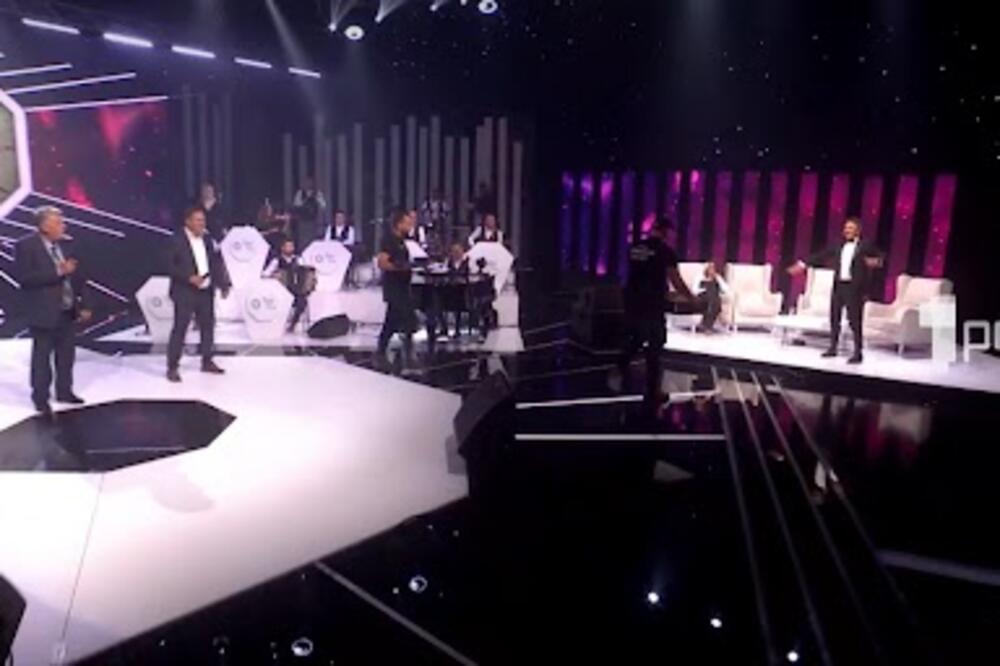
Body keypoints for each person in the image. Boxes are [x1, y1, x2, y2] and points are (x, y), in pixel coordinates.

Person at [14, 206, 92, 415]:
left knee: (66, 356)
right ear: (44, 226)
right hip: (43, 312)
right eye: (58, 222)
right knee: (42, 358)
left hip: (67, 310)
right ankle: (40, 398)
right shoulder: (25, 246)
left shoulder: (66, 245)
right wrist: (58, 271)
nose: (63, 226)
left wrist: (84, 304)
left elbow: (79, 278)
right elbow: (25, 279)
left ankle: (64, 391)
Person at [618, 216, 694, 406]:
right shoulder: (666, 252)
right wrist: (692, 298)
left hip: (632, 300)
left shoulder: (635, 247)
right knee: (655, 344)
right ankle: (653, 391)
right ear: (666, 232)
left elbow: (633, 274)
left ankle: (619, 366)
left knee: (637, 336)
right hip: (652, 303)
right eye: (671, 234)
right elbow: (675, 280)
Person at [787, 217, 883, 364]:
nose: (847, 230)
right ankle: (833, 348)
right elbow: (821, 255)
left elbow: (880, 257)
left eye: (850, 228)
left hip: (854, 288)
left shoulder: (865, 245)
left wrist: (876, 262)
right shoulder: (838, 245)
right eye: (846, 228)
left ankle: (858, 353)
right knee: (834, 318)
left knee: (854, 321)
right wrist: (803, 264)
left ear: (857, 230)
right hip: (839, 286)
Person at [166, 206, 232, 382]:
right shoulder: (176, 239)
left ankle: (207, 360)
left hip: (206, 290)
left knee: (208, 326)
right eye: (198, 220)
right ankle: (172, 367)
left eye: (203, 220)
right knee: (180, 328)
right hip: (184, 291)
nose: (202, 223)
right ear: (188, 221)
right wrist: (188, 277)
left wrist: (223, 284)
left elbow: (215, 263)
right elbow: (168, 265)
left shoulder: (208, 239)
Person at [376, 208, 417, 371]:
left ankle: (404, 353)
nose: (410, 226)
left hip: (403, 286)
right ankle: (383, 352)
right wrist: (400, 267)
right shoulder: (389, 240)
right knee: (394, 320)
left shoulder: (403, 241)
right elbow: (382, 263)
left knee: (404, 319)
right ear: (398, 224)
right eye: (407, 223)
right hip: (394, 287)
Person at [263, 237, 310, 332]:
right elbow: (265, 274)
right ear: (283, 248)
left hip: (295, 289)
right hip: (280, 290)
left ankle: (293, 324)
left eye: (291, 246)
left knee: (302, 301)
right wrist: (274, 275)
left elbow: (305, 271)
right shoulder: (277, 261)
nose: (290, 248)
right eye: (288, 246)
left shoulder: (298, 259)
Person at [291, 176, 327, 251]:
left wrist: (316, 198)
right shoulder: (300, 193)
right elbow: (296, 205)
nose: (308, 184)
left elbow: (323, 205)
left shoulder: (317, 193)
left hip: (313, 221)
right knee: (302, 240)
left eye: (310, 182)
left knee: (312, 240)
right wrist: (305, 200)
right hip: (302, 221)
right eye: (306, 182)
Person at [693, 261, 730, 333]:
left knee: (714, 300)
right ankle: (707, 326)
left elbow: (726, 289)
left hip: (714, 297)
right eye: (709, 268)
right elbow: (695, 290)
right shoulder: (700, 277)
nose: (711, 270)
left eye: (713, 268)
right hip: (703, 296)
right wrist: (704, 290)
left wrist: (718, 279)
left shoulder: (718, 277)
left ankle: (705, 325)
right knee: (713, 299)